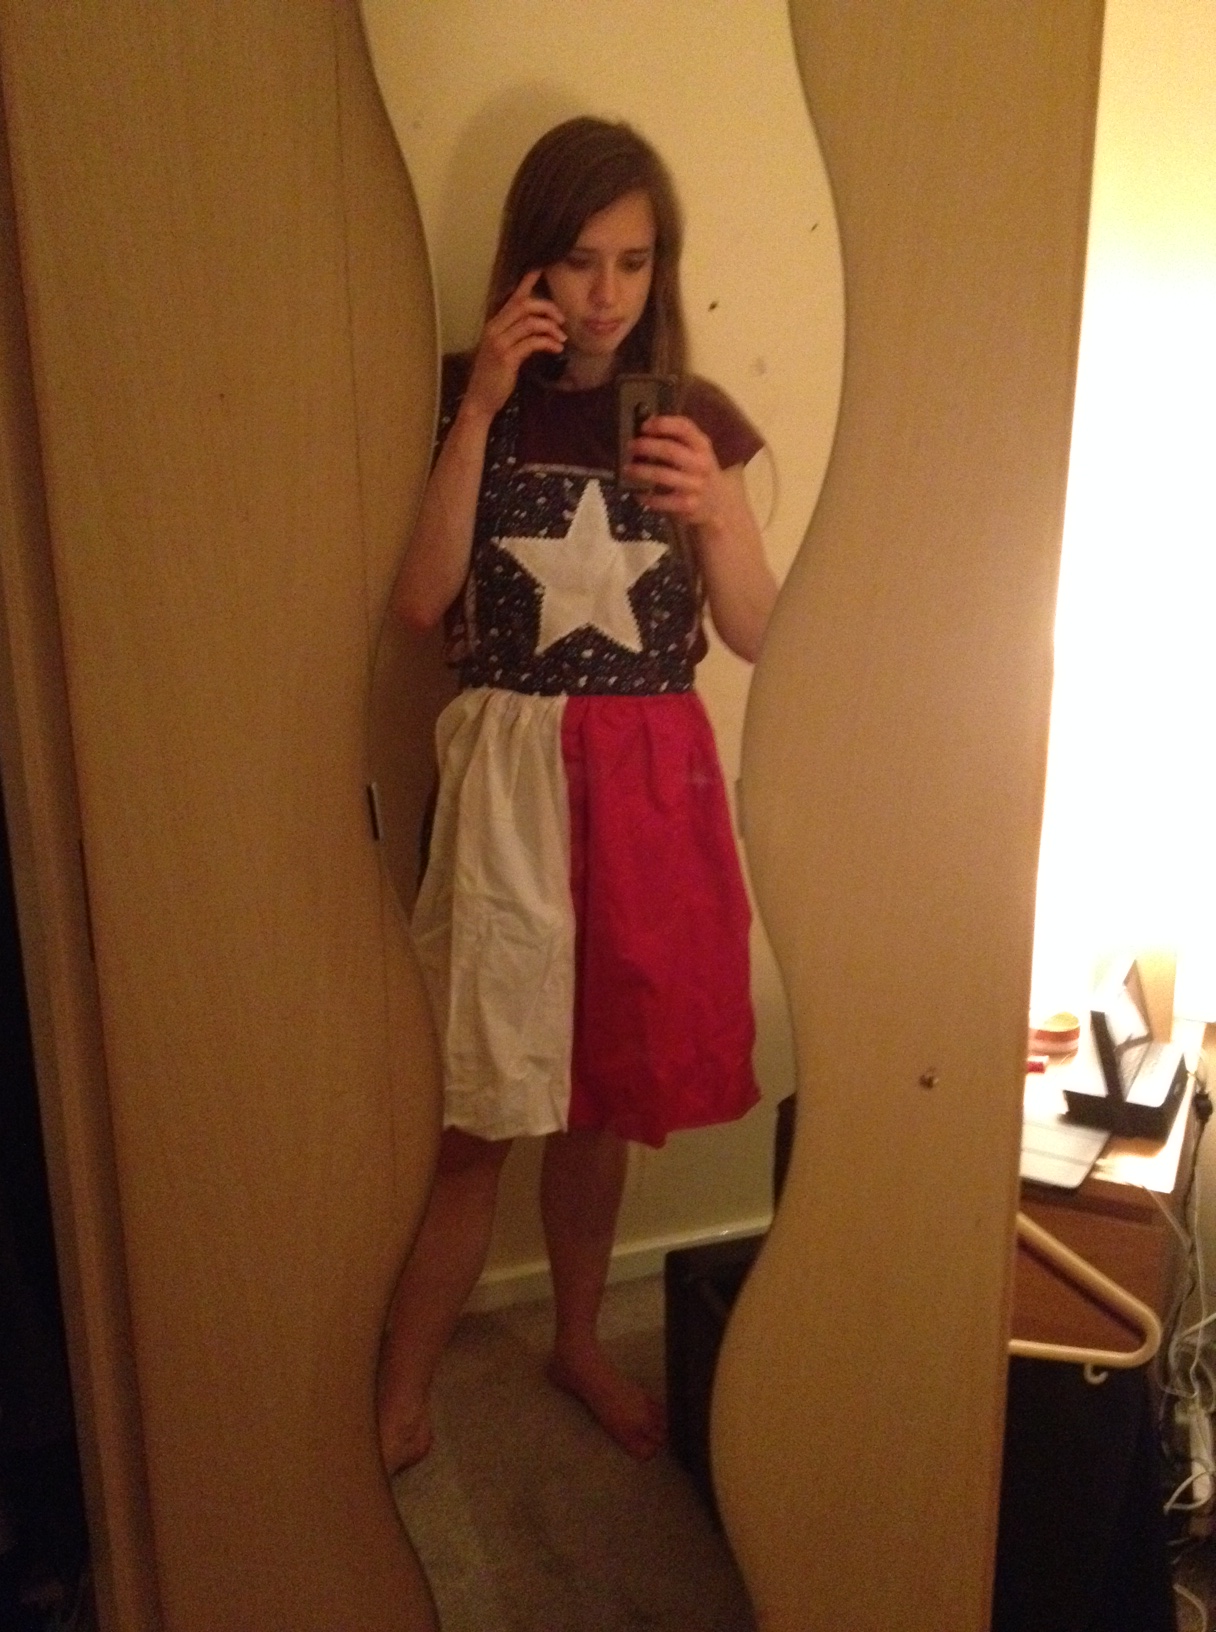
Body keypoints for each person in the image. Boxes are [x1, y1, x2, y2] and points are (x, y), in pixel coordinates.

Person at [377, 115, 778, 1473]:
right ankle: (404, 1386)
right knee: (477, 1110)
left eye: (634, 262)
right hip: (511, 790)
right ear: (529, 263)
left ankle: (577, 1341)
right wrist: (482, 410)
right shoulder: (458, 395)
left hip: (651, 788)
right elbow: (420, 603)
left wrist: (716, 508)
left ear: (662, 268)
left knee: (603, 1102)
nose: (606, 294)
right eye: (578, 260)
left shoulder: (693, 419)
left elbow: (758, 632)